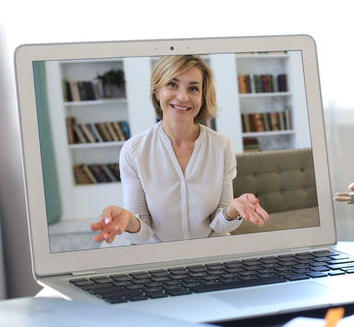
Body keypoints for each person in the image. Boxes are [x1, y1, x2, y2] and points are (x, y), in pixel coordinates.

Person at [90, 54, 268, 244]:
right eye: (172, 85)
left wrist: (231, 211)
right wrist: (128, 220)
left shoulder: (221, 146)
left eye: (193, 88)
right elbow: (142, 236)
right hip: (162, 259)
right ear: (157, 92)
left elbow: (220, 226)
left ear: (202, 97)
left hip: (214, 253)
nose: (183, 97)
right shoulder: (134, 150)